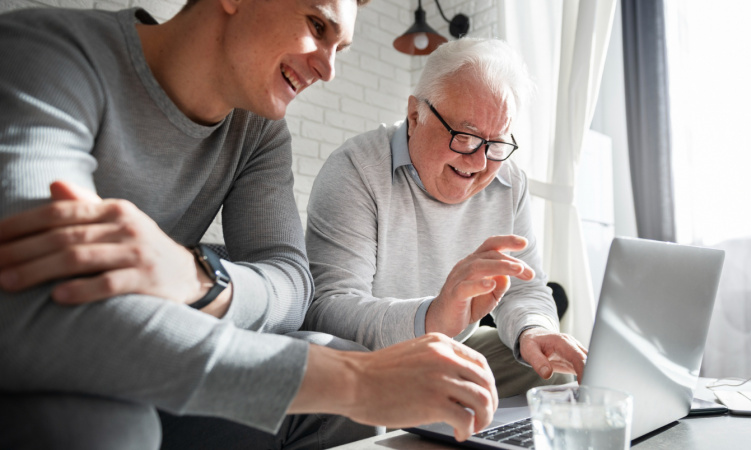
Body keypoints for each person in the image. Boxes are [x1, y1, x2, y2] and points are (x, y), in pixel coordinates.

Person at [0, 1, 499, 448]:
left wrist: (195, 277)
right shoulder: (49, 54)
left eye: (339, 48)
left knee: (333, 374)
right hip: (43, 363)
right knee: (106, 427)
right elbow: (35, 305)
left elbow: (291, 282)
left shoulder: (257, 131)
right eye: (316, 24)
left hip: (172, 362)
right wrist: (354, 381)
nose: (328, 70)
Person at [304, 38, 588, 398]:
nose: (480, 163)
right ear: (414, 116)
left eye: (496, 144)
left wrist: (534, 329)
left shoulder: (509, 180)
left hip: (457, 351)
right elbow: (329, 309)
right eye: (465, 137)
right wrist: (433, 317)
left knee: (552, 374)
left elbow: (524, 288)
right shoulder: (355, 169)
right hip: (372, 360)